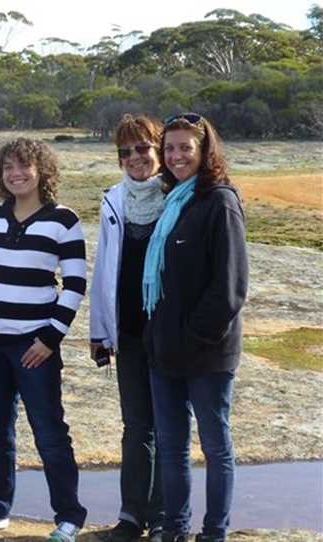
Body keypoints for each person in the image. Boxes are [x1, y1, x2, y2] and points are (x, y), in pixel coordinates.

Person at [0, 138, 88, 542]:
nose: (16, 173)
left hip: (35, 347)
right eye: (8, 167)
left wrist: (50, 337)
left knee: (49, 432)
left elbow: (75, 284)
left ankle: (68, 516)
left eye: (25, 166)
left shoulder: (64, 220)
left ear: (42, 171)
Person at [142, 113, 248, 542]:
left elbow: (229, 288)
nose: (176, 155)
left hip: (207, 353)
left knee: (215, 447)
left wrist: (191, 339)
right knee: (171, 449)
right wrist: (158, 338)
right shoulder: (174, 201)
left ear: (205, 151)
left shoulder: (220, 201)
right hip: (164, 352)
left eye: (186, 147)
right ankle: (175, 528)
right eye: (169, 148)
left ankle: (214, 532)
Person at [89, 114, 165, 542]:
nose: (134, 158)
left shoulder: (179, 197)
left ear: (158, 149)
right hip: (131, 331)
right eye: (125, 151)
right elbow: (106, 267)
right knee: (136, 426)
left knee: (169, 426)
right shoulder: (113, 200)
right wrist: (100, 330)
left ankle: (164, 519)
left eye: (142, 148)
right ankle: (131, 517)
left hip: (172, 335)